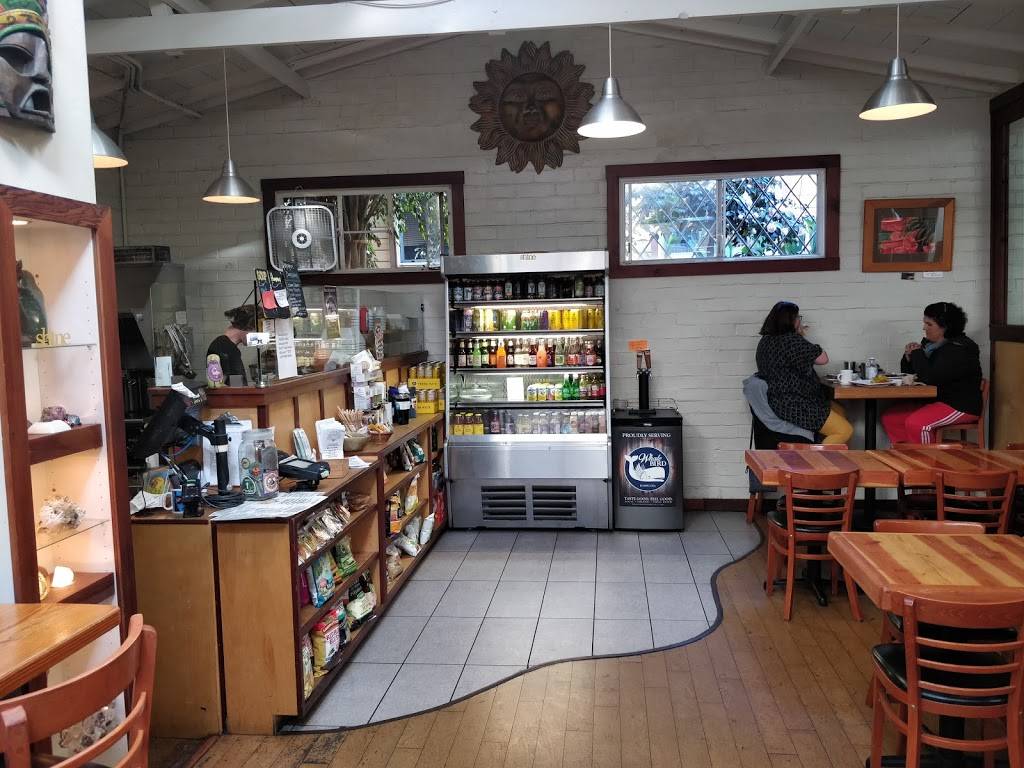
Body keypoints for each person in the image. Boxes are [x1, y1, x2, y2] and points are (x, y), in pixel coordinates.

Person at [881, 302, 982, 445]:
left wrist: (917, 354)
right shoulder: (932, 346)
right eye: (925, 323)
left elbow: (930, 377)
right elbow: (913, 374)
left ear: (945, 327)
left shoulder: (959, 348)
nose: (924, 328)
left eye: (929, 324)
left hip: (959, 405)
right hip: (937, 401)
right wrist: (909, 357)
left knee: (918, 424)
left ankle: (926, 459)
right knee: (891, 418)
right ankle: (907, 455)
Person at [756, 301, 853, 445]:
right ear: (790, 320)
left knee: (839, 411)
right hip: (796, 404)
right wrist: (800, 334)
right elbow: (823, 358)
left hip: (780, 400)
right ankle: (818, 459)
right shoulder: (790, 339)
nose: (799, 321)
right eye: (798, 317)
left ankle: (834, 453)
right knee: (845, 430)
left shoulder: (765, 341)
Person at [207, 305, 256, 385]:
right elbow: (235, 386)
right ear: (247, 328)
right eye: (255, 330)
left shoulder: (224, 345)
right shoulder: (226, 348)